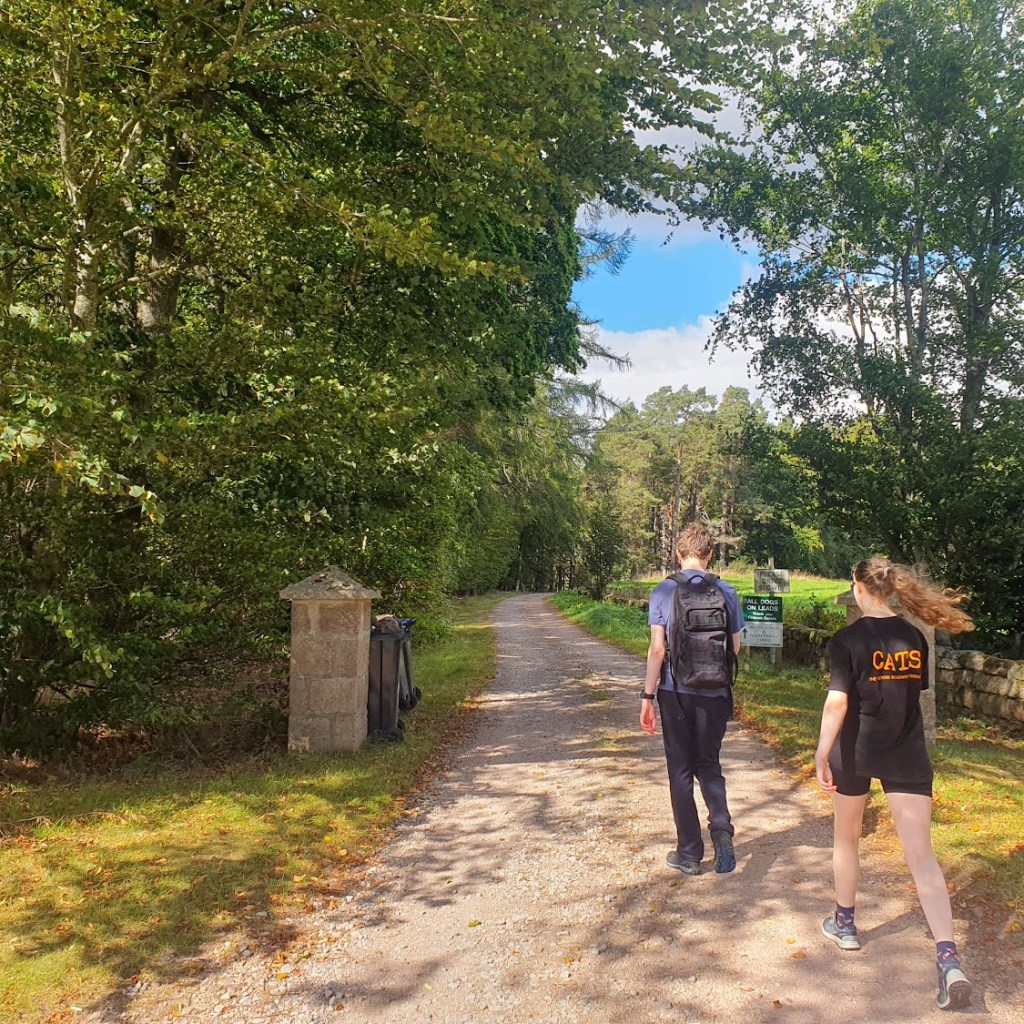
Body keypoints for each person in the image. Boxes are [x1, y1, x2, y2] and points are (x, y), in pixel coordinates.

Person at [815, 557, 975, 1011]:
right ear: (888, 589)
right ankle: (948, 959)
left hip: (856, 751)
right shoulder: (914, 637)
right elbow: (911, 696)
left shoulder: (846, 640)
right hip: (905, 752)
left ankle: (845, 924)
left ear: (858, 588)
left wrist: (821, 752)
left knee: (847, 838)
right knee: (922, 857)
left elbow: (836, 704)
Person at [640, 522, 743, 875]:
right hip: (716, 692)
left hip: (675, 692)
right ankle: (722, 831)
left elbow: (657, 650)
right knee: (709, 763)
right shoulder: (727, 591)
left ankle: (689, 853)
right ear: (710, 554)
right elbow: (736, 647)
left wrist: (647, 696)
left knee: (681, 770)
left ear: (678, 554)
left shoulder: (663, 592)